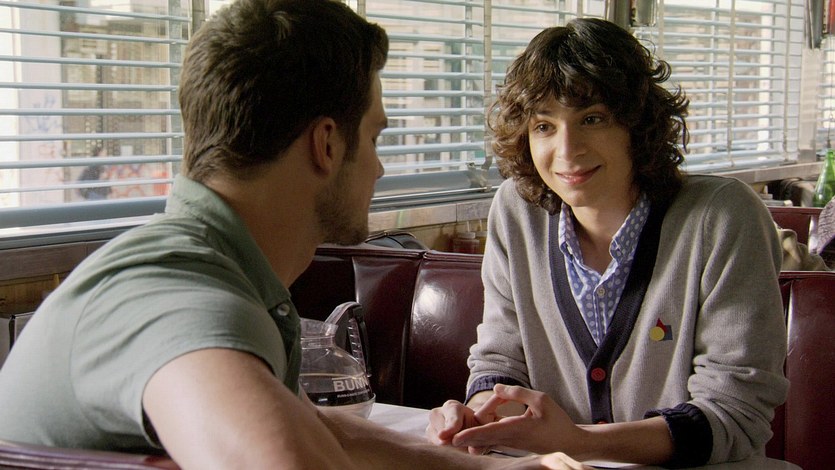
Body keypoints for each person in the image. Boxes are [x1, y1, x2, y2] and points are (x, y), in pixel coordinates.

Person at [0, 1, 586, 469]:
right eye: (374, 138)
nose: (380, 169)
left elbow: (317, 431)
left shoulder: (215, 270)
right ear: (326, 144)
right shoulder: (181, 298)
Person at [426, 18, 788, 468]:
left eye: (592, 119)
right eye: (544, 126)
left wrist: (581, 442)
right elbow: (501, 359)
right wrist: (482, 412)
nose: (567, 150)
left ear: (638, 125)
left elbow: (736, 412)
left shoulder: (722, 216)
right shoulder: (516, 211)